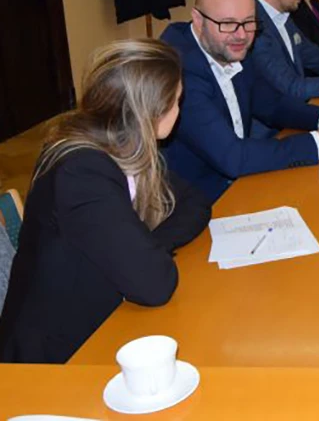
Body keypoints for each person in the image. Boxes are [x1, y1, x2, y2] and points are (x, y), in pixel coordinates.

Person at [0, 40, 210, 363]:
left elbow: (195, 202)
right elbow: (156, 285)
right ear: (150, 111)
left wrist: (145, 247)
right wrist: (141, 253)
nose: (180, 109)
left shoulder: (123, 143)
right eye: (176, 100)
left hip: (103, 319)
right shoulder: (82, 172)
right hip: (54, 358)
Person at [161, 0, 319, 202]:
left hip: (243, 183)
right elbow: (232, 157)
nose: (241, 35)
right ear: (199, 20)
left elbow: (270, 103)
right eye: (228, 24)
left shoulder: (229, 46)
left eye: (249, 22)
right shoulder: (177, 70)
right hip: (202, 201)